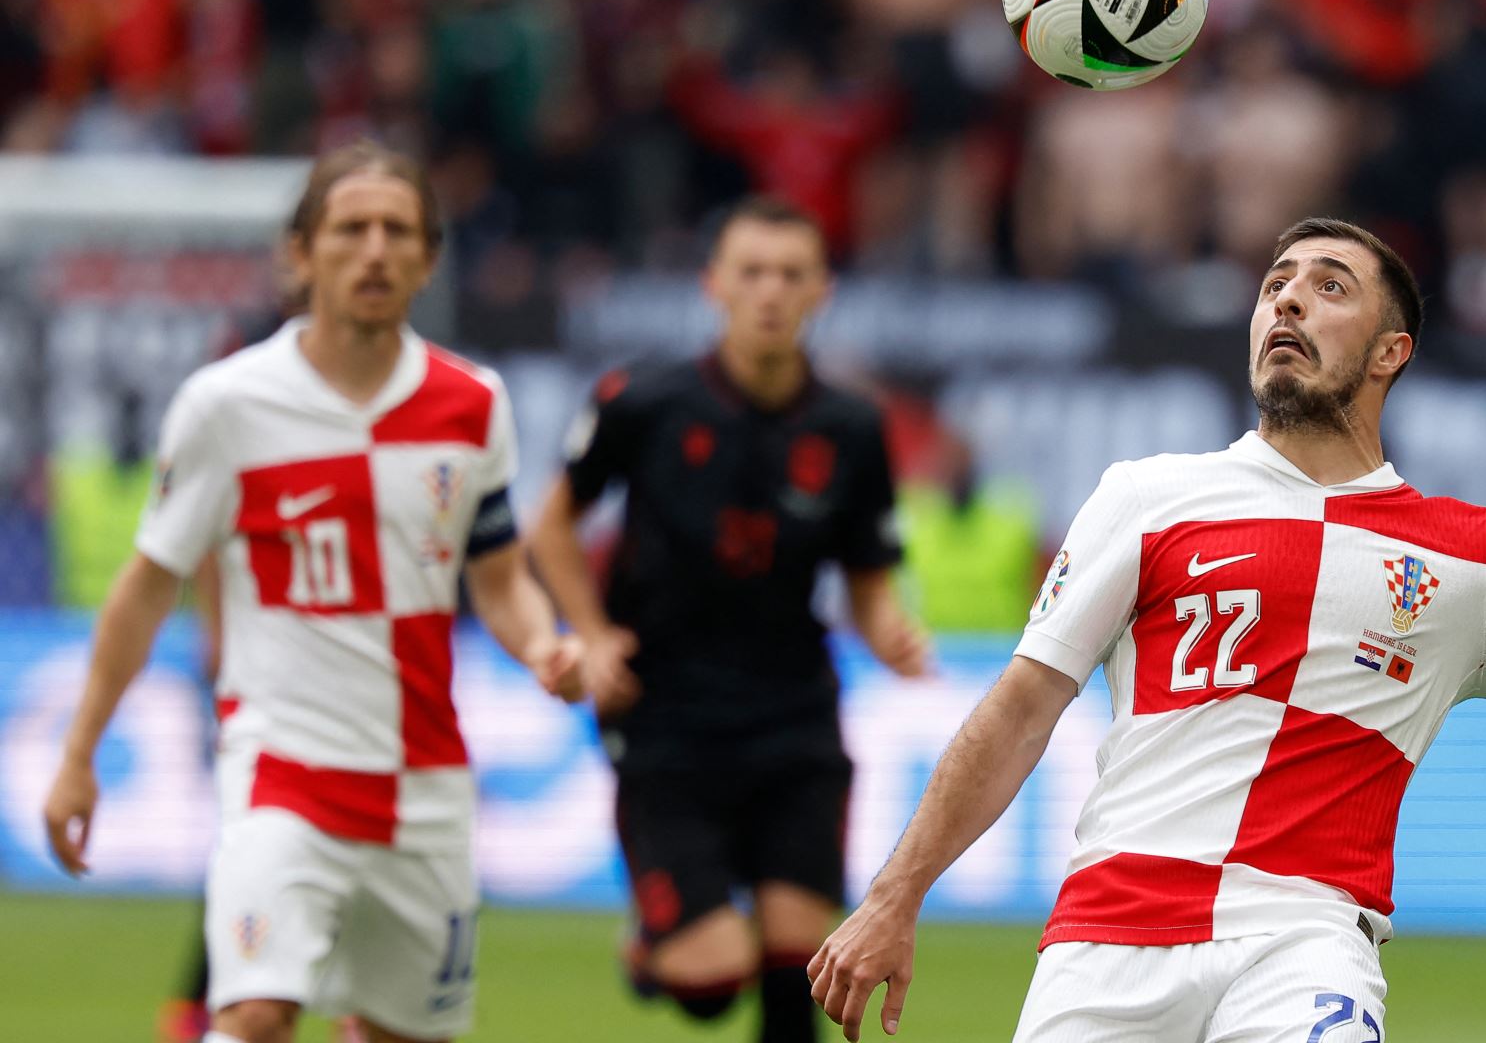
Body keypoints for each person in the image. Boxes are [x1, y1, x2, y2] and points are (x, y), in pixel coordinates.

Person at [809, 216, 1486, 1043]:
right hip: (1107, 939)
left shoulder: (1466, 557)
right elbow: (1020, 709)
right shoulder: (1148, 498)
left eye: (1328, 286)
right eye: (1275, 284)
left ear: (1390, 353)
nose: (1286, 300)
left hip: (1305, 939)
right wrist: (895, 896)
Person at [43, 139, 584, 1043]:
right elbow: (145, 587)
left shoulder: (474, 405)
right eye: (350, 229)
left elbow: (497, 577)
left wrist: (541, 644)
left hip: (426, 783)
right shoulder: (227, 405)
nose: (373, 250)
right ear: (299, 255)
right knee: (254, 1012)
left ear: (428, 258)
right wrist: (78, 754)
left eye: (396, 230)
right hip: (282, 772)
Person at [527, 196, 931, 1043]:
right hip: (666, 716)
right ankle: (656, 951)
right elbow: (552, 526)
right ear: (714, 285)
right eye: (751, 273)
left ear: (822, 289)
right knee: (710, 984)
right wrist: (590, 634)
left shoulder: (852, 427)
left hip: (794, 717)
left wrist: (886, 628)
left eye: (791, 274)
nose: (770, 292)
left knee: (801, 969)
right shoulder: (641, 401)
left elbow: (865, 579)